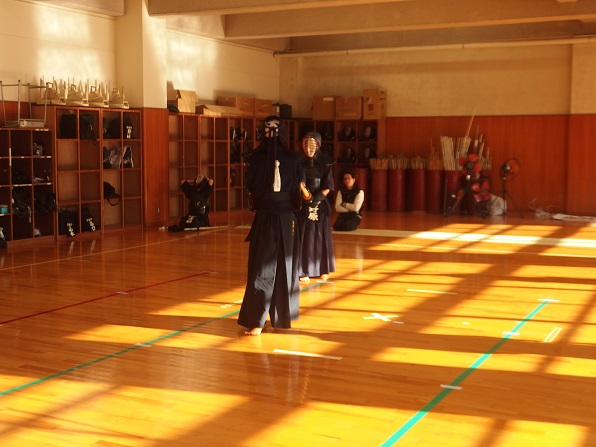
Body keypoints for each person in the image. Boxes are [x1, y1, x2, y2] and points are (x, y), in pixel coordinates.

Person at [238, 116, 309, 336]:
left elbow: (250, 188)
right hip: (280, 218)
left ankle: (260, 320)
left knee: (265, 266)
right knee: (275, 267)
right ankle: (271, 319)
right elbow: (300, 190)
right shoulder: (290, 160)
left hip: (273, 217)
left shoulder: (259, 159)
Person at [297, 131, 336, 284]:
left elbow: (328, 186)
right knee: (305, 237)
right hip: (304, 203)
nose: (309, 149)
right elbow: (300, 181)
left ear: (318, 146)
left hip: (321, 203)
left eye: (312, 145)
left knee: (322, 236)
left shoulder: (325, 164)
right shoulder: (299, 163)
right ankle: (304, 270)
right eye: (306, 145)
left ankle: (323, 269)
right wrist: (307, 196)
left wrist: (317, 198)